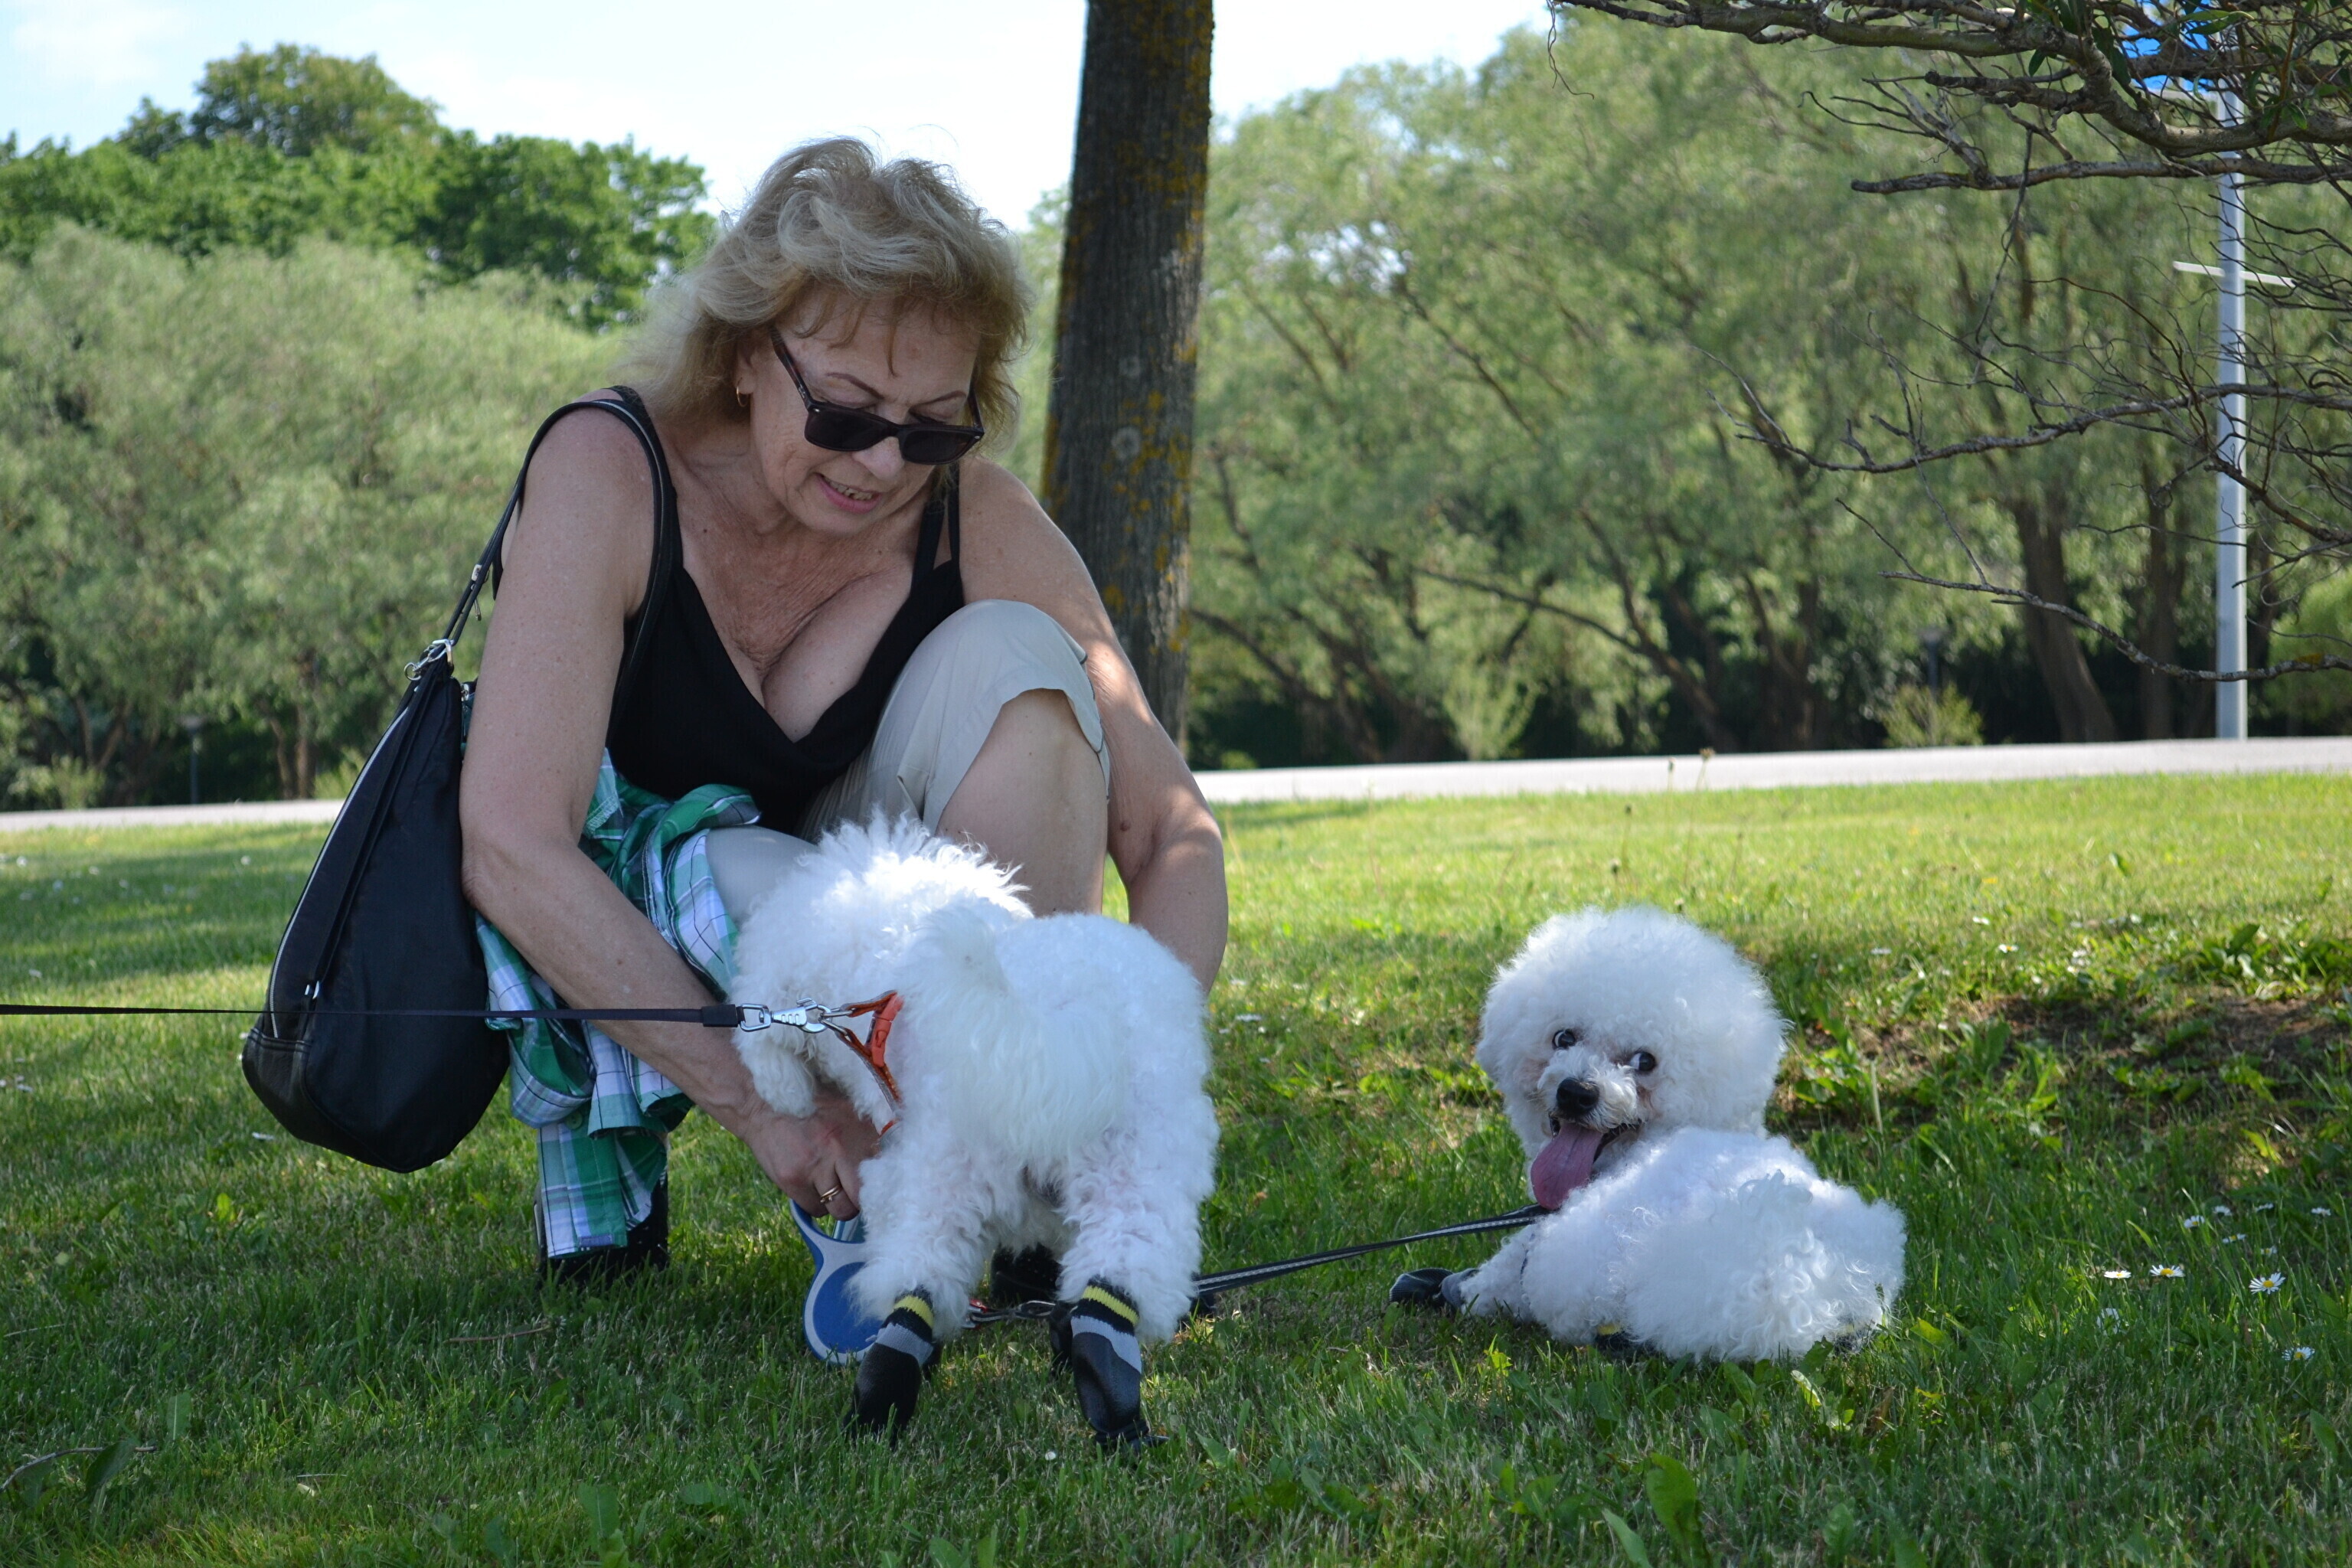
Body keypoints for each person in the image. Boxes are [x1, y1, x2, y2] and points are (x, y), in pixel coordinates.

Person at [459, 138, 1227, 1279]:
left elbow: (1171, 834)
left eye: (931, 427)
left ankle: (1013, 1164)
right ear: (743, 355)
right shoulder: (605, 470)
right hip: (665, 905)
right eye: (846, 413)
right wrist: (763, 1108)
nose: (882, 464)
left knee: (1022, 660)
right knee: (756, 872)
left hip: (885, 916)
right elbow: (512, 843)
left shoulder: (978, 517)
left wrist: (1123, 1081)